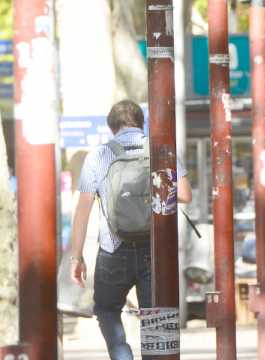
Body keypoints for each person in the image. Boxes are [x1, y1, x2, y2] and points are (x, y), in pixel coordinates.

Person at [68, 100, 192, 360]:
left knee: (107, 309)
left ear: (112, 127)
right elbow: (185, 194)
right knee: (155, 315)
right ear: (141, 122)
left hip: (114, 251)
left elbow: (82, 210)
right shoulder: (161, 151)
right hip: (154, 250)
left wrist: (76, 257)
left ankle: (122, 355)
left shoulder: (98, 157)